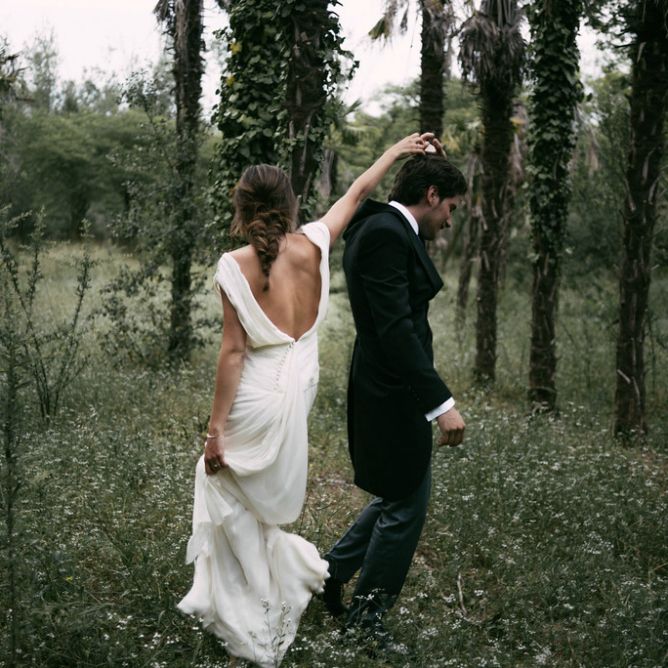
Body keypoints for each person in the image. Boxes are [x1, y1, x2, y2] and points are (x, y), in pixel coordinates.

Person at [177, 132, 436, 668]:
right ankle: (280, 581)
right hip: (299, 388)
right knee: (250, 498)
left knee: (220, 483)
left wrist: (215, 430)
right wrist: (396, 151)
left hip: (258, 392)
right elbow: (359, 192)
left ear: (241, 206)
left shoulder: (234, 264)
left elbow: (234, 352)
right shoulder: (315, 243)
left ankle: (254, 602)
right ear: (291, 202)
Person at [321, 148, 468, 646]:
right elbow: (395, 329)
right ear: (431, 195)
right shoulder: (386, 233)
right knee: (405, 505)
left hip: (390, 384)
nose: (449, 221)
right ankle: (365, 622)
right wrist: (441, 404)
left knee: (401, 492)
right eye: (450, 207)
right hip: (392, 390)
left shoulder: (386, 226)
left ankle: (328, 574)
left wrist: (432, 167)